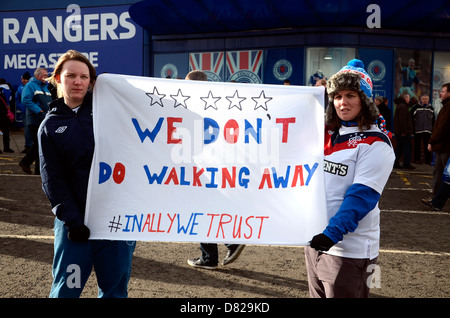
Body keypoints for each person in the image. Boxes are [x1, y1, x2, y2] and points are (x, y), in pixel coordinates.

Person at [38, 50, 135, 297]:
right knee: (65, 293)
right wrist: (72, 221)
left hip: (115, 222)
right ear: (58, 78)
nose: (78, 82)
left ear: (92, 81)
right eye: (71, 76)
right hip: (74, 225)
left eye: (84, 76)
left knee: (115, 291)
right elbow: (53, 180)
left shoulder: (111, 113)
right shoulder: (49, 126)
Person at [305, 59, 395, 298]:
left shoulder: (376, 142)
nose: (342, 103)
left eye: (351, 95)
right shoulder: (328, 134)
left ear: (364, 100)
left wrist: (331, 234)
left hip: (348, 250)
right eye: (337, 96)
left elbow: (361, 197)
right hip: (315, 242)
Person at [185, 70, 246, 269]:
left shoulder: (188, 103)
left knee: (200, 208)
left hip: (200, 165)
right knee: (207, 206)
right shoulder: (218, 102)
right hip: (216, 164)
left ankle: (213, 254)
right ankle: (223, 246)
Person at [421, 83, 450, 209]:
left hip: (445, 146)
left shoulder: (448, 107)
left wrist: (431, 141)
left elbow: (442, 127)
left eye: (443, 91)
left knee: (446, 175)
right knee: (438, 173)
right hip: (441, 146)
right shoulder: (446, 106)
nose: (441, 93)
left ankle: (436, 199)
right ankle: (435, 199)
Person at [19, 68, 53, 174]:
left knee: (41, 145)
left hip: (44, 120)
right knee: (39, 145)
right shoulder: (30, 85)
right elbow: (25, 100)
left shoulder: (45, 88)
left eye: (47, 75)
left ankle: (37, 169)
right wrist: (39, 110)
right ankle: (26, 162)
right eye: (44, 75)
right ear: (37, 76)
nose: (46, 77)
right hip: (35, 121)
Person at [393, 92, 415, 169]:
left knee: (399, 147)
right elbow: (403, 121)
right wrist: (404, 131)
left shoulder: (400, 106)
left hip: (399, 131)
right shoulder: (403, 107)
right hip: (403, 132)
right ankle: (406, 163)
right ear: (405, 98)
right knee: (406, 148)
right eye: (409, 98)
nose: (409, 100)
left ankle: (395, 163)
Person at [410, 95, 434, 164]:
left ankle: (428, 160)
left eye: (426, 99)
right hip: (418, 129)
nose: (425, 100)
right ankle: (417, 159)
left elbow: (433, 119)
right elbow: (411, 117)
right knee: (417, 145)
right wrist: (413, 127)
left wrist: (433, 129)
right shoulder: (416, 107)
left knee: (427, 146)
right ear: (421, 99)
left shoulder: (430, 108)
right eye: (423, 99)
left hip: (427, 130)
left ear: (428, 100)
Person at [15, 72, 32, 153]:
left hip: (33, 112)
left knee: (34, 129)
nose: (23, 81)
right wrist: (20, 106)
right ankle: (28, 146)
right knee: (27, 129)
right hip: (24, 112)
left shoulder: (32, 86)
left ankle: (33, 146)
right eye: (22, 79)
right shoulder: (20, 87)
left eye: (25, 79)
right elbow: (17, 98)